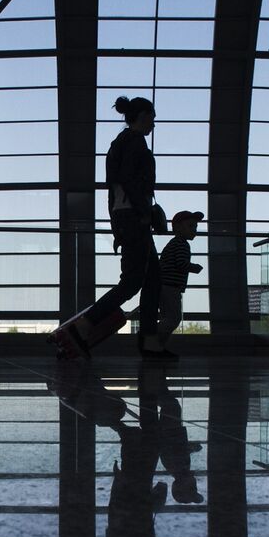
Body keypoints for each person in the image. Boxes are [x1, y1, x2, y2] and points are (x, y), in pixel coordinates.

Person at [78, 95, 168, 359]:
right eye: (152, 118)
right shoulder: (134, 143)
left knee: (152, 279)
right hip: (134, 218)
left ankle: (149, 340)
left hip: (126, 218)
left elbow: (114, 190)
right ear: (142, 117)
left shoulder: (119, 143)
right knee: (132, 283)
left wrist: (121, 224)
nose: (154, 124)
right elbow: (131, 182)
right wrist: (144, 213)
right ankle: (88, 323)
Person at [155, 210, 204, 358]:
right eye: (190, 226)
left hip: (164, 286)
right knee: (173, 319)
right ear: (177, 228)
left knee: (167, 318)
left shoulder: (173, 244)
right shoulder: (182, 244)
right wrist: (194, 267)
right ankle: (152, 340)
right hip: (171, 287)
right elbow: (181, 264)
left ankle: (156, 347)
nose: (194, 230)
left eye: (195, 227)